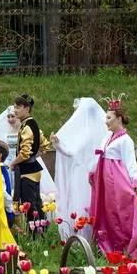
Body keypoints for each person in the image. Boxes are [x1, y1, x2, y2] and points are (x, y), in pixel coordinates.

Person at [89, 95, 137, 259]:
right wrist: (93, 172)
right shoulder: (107, 137)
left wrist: (134, 180)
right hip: (105, 180)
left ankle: (126, 245)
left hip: (117, 181)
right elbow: (99, 156)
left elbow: (130, 161)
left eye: (108, 118)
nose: (106, 121)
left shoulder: (125, 140)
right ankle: (110, 246)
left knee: (119, 212)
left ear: (118, 119)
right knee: (107, 212)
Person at [50, 98, 108, 239]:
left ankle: (82, 237)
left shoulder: (85, 131)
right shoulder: (100, 129)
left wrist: (58, 144)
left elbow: (70, 151)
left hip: (81, 172)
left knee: (82, 204)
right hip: (96, 171)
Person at [0, 105, 57, 199]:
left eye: (13, 116)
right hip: (9, 163)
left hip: (24, 162)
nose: (10, 119)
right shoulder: (7, 133)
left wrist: (31, 157)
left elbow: (43, 146)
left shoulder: (27, 129)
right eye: (8, 117)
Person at [9, 95, 52, 225]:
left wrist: (14, 162)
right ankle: (41, 232)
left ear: (27, 109)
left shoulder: (27, 126)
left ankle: (35, 236)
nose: (15, 110)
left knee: (30, 206)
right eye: (15, 107)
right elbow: (45, 146)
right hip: (32, 169)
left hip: (27, 172)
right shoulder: (32, 124)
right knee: (36, 204)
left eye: (18, 107)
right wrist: (33, 157)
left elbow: (25, 152)